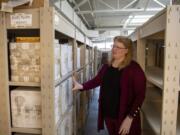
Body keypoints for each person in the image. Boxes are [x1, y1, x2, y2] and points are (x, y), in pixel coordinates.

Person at [72, 36, 146, 135]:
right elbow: (96, 80)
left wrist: (130, 117)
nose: (114, 49)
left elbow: (140, 96)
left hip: (124, 116)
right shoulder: (107, 66)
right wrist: (81, 86)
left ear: (126, 51)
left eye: (118, 47)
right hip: (108, 115)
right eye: (114, 46)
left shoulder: (134, 69)